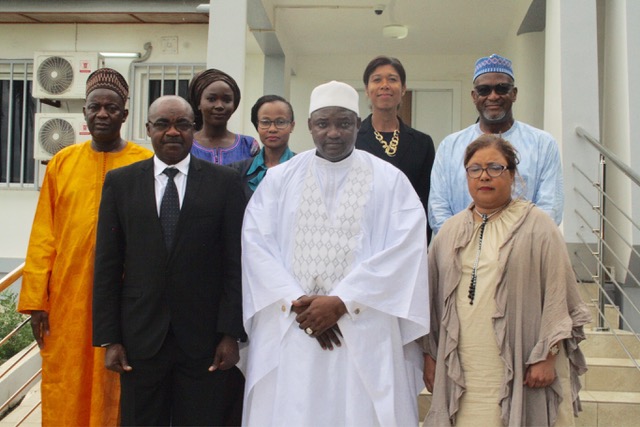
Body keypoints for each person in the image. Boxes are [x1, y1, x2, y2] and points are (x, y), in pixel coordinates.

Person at [241, 81, 429, 426]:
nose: (333, 133)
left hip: (364, 325)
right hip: (293, 324)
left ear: (358, 124)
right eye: (323, 123)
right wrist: (299, 302)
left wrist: (343, 301)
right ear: (309, 125)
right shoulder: (279, 180)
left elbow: (406, 249)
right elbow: (256, 245)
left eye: (343, 123)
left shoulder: (390, 180)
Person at [92, 95, 246, 426]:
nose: (173, 132)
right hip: (140, 340)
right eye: (163, 124)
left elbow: (236, 264)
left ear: (195, 129)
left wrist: (231, 333)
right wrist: (110, 338)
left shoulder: (226, 183)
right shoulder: (121, 183)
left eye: (183, 125)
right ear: (148, 129)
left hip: (204, 340)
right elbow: (107, 265)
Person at [423, 135, 591, 426]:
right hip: (463, 366)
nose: (484, 176)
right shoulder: (449, 232)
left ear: (512, 174)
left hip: (523, 363)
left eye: (495, 167)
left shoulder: (538, 226)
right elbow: (431, 303)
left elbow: (558, 295)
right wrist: (430, 356)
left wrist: (547, 356)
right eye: (475, 169)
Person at [17, 68, 152, 426]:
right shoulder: (62, 163)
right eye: (95, 107)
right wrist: (36, 301)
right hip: (67, 299)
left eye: (112, 108)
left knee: (119, 381)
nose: (102, 114)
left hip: (128, 297)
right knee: (66, 379)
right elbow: (43, 234)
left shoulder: (144, 164)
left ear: (125, 114)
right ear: (85, 113)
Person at [428, 53, 564, 234]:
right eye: (484, 90)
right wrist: (462, 243)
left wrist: (514, 245)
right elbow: (438, 207)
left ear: (514, 94)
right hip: (462, 250)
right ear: (474, 96)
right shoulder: (450, 146)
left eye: (501, 88)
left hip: (522, 252)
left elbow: (550, 208)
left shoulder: (542, 144)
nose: (493, 96)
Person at [355, 55, 435, 240]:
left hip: (408, 238)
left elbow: (427, 199)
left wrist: (420, 241)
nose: (385, 85)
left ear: (404, 88)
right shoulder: (353, 141)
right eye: (377, 80)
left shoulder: (422, 143)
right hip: (363, 239)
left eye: (392, 79)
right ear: (367, 90)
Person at [229, 94, 295, 200]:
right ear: (257, 126)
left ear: (292, 126)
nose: (272, 129)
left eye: (280, 122)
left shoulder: (304, 167)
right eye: (265, 122)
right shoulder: (238, 171)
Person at [188, 68, 259, 165]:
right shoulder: (186, 145)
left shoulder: (248, 146)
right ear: (198, 103)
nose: (219, 106)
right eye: (211, 99)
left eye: (226, 100)